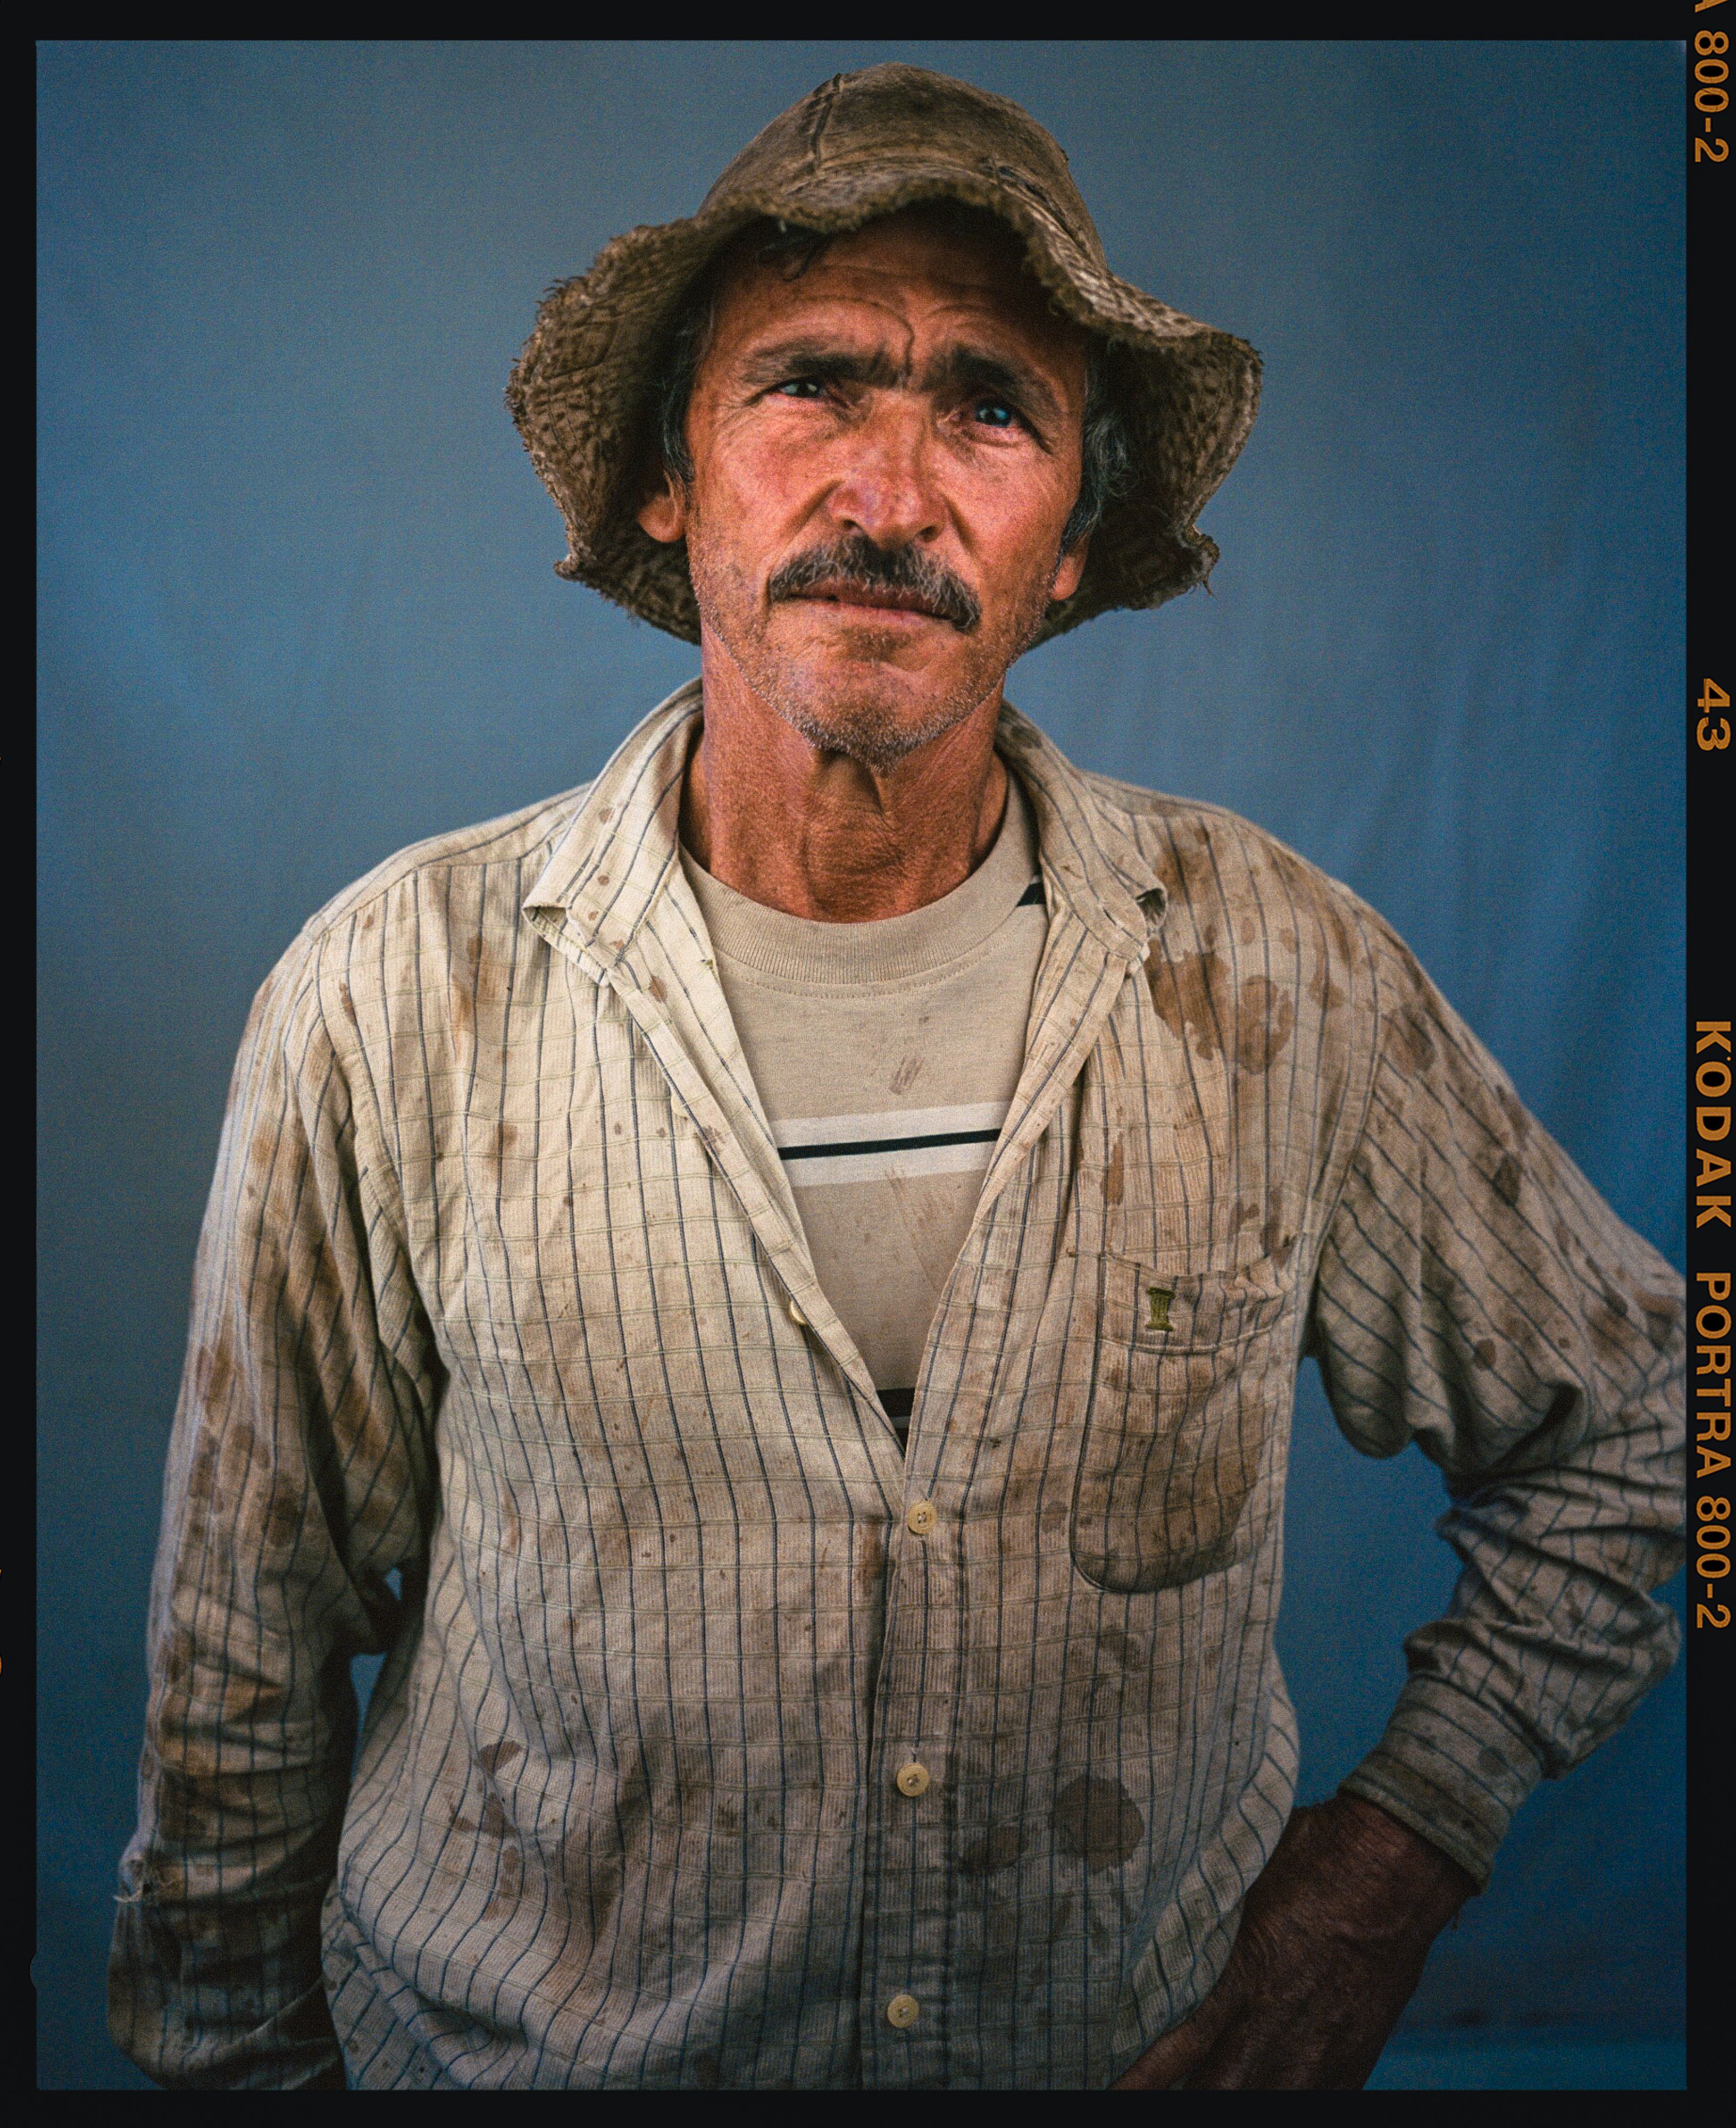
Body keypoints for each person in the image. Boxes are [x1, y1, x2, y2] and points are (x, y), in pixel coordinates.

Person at [109, 63, 1685, 2091]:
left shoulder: (1279, 978)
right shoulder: (389, 997)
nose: (887, 490)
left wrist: (1388, 1872)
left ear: (1070, 546)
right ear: (670, 481)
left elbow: (1658, 1420)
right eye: (811, 384)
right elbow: (239, 1659)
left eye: (992, 412)